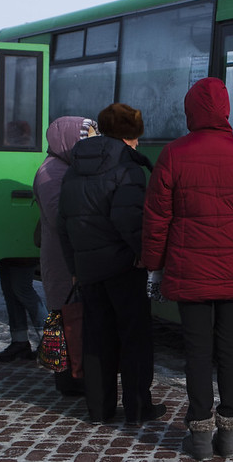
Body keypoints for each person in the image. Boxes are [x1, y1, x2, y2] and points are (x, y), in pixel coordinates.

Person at [142, 78, 233, 460]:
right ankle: (230, 434)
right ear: (226, 110)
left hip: (190, 273)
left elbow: (156, 219)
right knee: (232, 351)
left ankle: (199, 436)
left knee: (198, 354)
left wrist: (154, 265)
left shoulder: (173, 154)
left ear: (191, 112)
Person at [58, 103, 166, 425]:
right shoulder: (127, 167)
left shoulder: (74, 166)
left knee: (96, 338)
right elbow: (129, 220)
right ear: (132, 134)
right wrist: (144, 255)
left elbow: (62, 223)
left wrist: (74, 266)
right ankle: (137, 408)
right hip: (123, 267)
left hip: (89, 270)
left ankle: (99, 409)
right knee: (134, 337)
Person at [33, 116, 99, 395]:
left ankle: (76, 376)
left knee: (74, 317)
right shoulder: (51, 173)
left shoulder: (66, 168)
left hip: (72, 256)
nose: (93, 146)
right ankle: (70, 381)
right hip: (63, 260)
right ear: (68, 140)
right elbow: (62, 217)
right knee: (66, 318)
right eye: (87, 140)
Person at [0, 260, 46, 362]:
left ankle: (50, 341)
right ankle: (20, 341)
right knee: (10, 292)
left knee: (23, 290)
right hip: (5, 253)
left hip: (22, 254)